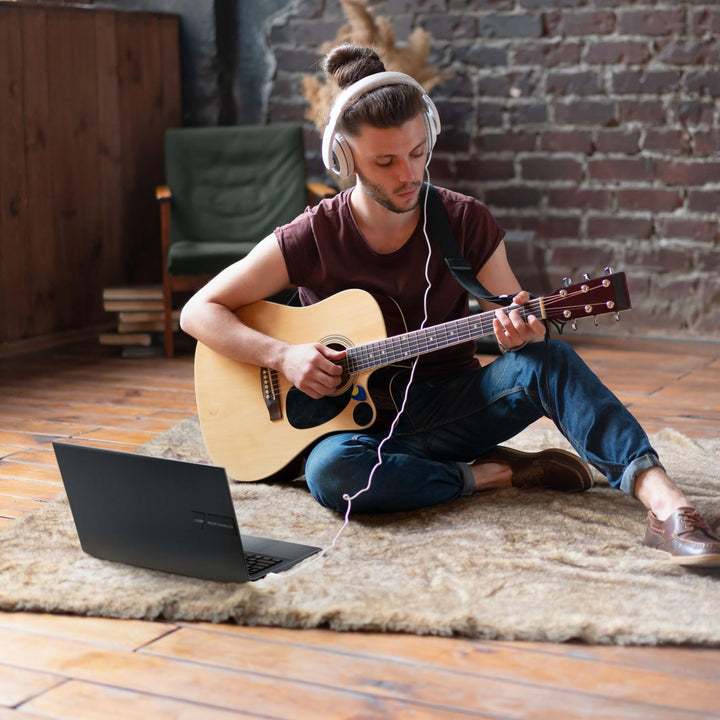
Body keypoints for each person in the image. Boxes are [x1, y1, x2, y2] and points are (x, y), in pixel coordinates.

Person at [180, 43, 720, 567]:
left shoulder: (463, 221)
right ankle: (492, 475)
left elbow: (517, 316)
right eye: (385, 160)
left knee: (550, 361)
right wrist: (281, 356)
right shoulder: (313, 234)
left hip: (452, 407)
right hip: (354, 431)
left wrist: (523, 331)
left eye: (418, 153)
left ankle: (669, 508)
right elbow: (199, 312)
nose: (408, 174)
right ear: (344, 158)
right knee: (333, 476)